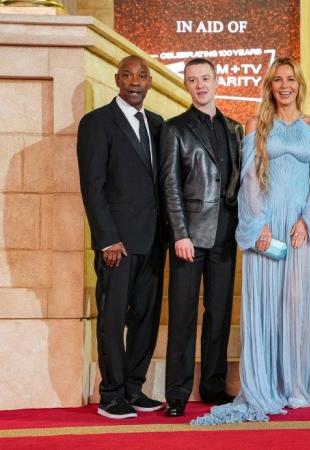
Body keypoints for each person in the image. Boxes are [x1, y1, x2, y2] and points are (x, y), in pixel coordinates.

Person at [192, 57, 310, 424]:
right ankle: (264, 385)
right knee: (265, 305)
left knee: (297, 307)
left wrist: (306, 218)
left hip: (298, 230)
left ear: (299, 84)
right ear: (270, 86)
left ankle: (295, 385)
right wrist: (259, 224)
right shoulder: (256, 125)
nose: (284, 86)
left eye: (290, 79)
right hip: (266, 230)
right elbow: (249, 179)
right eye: (277, 80)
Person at [77, 55, 165, 419]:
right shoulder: (97, 123)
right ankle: (111, 394)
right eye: (127, 75)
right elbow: (92, 187)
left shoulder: (158, 124)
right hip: (118, 245)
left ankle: (133, 386)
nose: (134, 81)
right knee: (112, 319)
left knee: (145, 317)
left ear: (149, 82)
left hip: (153, 241)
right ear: (116, 79)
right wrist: (107, 239)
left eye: (142, 76)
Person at [159, 58, 243, 417]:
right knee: (182, 315)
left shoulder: (236, 128)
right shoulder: (174, 129)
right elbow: (170, 186)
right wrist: (179, 233)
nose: (200, 85)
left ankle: (212, 386)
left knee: (219, 314)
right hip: (189, 238)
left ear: (217, 79)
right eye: (192, 80)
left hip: (226, 236)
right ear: (186, 85)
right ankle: (177, 393)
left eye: (205, 78)